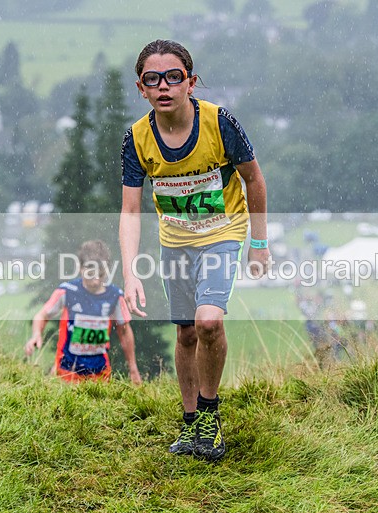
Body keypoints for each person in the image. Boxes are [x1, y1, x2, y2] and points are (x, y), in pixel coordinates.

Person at [119, 39, 270, 461]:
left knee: (208, 323)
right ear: (141, 88)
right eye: (153, 79)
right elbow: (130, 211)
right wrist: (130, 272)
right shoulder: (136, 139)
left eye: (173, 77)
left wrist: (258, 243)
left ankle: (209, 413)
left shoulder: (220, 123)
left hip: (223, 232)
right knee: (185, 332)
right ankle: (191, 426)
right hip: (176, 242)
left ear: (191, 82)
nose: (163, 86)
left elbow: (254, 180)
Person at [25, 240, 142, 385]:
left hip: (100, 374)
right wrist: (36, 335)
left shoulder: (115, 296)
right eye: (91, 274)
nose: (95, 281)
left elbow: (124, 332)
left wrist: (133, 369)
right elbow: (42, 315)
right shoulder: (67, 291)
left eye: (101, 274)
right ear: (81, 268)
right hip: (66, 372)